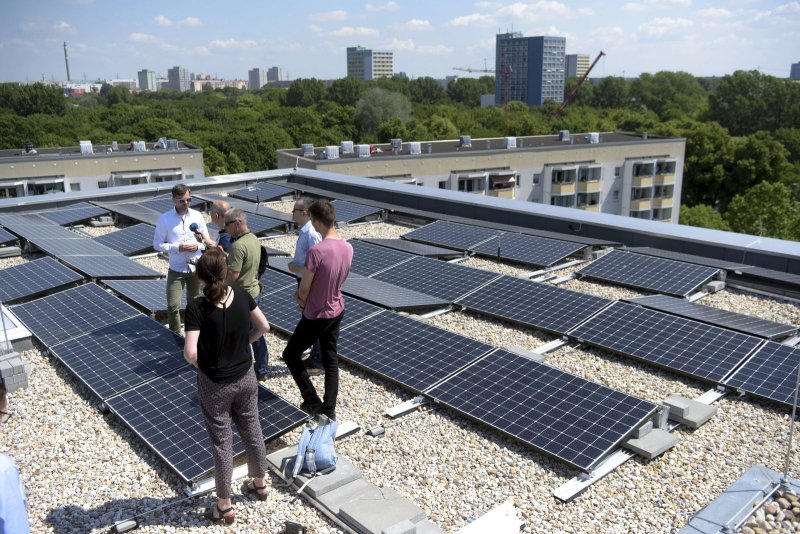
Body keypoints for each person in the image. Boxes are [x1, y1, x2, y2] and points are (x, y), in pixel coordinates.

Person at [184, 249, 271, 525]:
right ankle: (259, 483)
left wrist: (206, 368)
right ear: (223, 273)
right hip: (246, 376)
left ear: (200, 276)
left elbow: (190, 353)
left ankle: (224, 504)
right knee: (252, 427)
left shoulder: (197, 308)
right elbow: (264, 327)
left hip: (216, 384)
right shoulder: (242, 295)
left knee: (222, 443)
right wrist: (245, 343)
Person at [282, 200, 353, 421]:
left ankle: (312, 400)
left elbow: (305, 286)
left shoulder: (317, 251)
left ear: (318, 221)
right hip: (337, 308)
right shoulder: (347, 247)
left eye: (313, 220)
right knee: (330, 359)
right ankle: (329, 408)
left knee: (291, 354)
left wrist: (302, 300)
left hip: (317, 314)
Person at [152, 184, 208, 334]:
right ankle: (176, 336)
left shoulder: (197, 216)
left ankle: (195, 334)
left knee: (194, 304)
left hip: (196, 267)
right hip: (176, 268)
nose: (186, 204)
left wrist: (197, 247)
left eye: (189, 200)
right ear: (174, 200)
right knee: (173, 305)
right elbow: (157, 244)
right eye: (182, 201)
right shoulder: (165, 219)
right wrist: (177, 247)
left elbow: (206, 242)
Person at [224, 208, 269, 381]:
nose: (225, 228)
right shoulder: (253, 239)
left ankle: (253, 368)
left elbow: (233, 275)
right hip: (254, 291)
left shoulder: (238, 245)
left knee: (244, 333)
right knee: (258, 331)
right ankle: (262, 366)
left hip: (241, 296)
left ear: (237, 223)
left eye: (227, 225)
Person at [288, 197, 323, 376]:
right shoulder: (304, 231)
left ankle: (318, 362)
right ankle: (314, 356)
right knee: (309, 320)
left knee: (314, 322)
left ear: (304, 213)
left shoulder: (311, 234)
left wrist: (297, 268)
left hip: (309, 282)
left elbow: (318, 263)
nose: (291, 212)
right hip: (303, 280)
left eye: (294, 210)